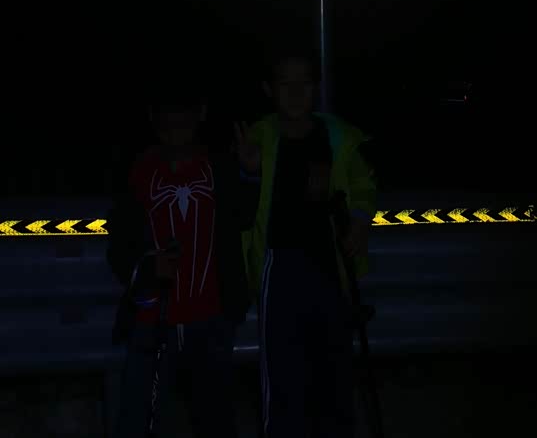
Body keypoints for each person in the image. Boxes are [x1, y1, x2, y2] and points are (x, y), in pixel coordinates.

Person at [106, 95, 261, 437]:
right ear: (153, 117)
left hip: (211, 322)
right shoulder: (139, 170)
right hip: (152, 323)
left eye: (184, 114)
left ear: (200, 113)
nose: (175, 124)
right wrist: (148, 266)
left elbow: (244, 216)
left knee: (216, 421)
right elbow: (118, 247)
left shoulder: (218, 166)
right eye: (167, 115)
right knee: (139, 420)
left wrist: (250, 174)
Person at [241, 51, 377, 438]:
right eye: (286, 83)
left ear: (316, 88)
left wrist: (359, 221)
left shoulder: (339, 136)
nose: (296, 91)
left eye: (305, 82)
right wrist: (248, 173)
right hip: (278, 268)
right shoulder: (258, 137)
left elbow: (364, 186)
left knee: (335, 371)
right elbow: (238, 206)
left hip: (330, 267)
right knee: (282, 374)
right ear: (269, 89)